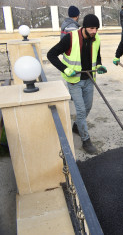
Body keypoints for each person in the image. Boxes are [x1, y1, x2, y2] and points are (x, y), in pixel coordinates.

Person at [47, 14, 107, 154]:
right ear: (84, 27)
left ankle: (76, 127)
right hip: (74, 81)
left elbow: (97, 55)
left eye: (96, 28)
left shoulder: (96, 38)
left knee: (88, 107)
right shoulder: (70, 38)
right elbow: (51, 54)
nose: (94, 31)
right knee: (80, 111)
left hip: (89, 79)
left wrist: (98, 65)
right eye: (91, 28)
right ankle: (86, 141)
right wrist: (65, 69)